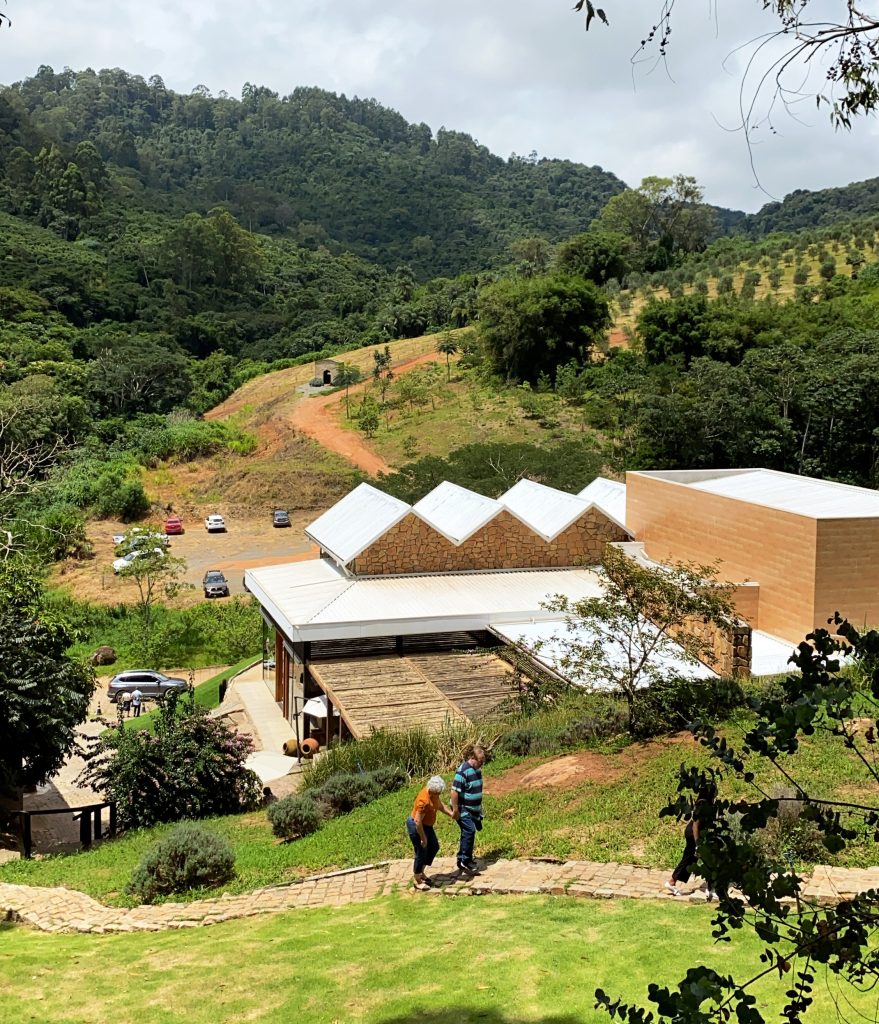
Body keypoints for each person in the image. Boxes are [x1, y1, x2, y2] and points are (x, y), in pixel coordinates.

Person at [665, 783, 717, 899]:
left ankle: (672, 882)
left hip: (695, 834)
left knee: (689, 859)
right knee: (708, 858)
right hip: (694, 834)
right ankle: (710, 889)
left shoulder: (706, 803)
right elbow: (696, 825)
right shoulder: (702, 804)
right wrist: (698, 843)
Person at [407, 775, 453, 891]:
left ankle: (421, 872)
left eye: (439, 793)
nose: (438, 795)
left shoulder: (434, 795)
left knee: (434, 847)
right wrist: (423, 838)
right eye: (436, 793)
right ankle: (417, 879)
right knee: (421, 851)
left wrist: (451, 814)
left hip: (426, 826)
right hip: (417, 826)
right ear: (431, 790)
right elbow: (417, 821)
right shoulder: (424, 801)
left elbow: (440, 805)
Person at [451, 744, 486, 876]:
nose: (481, 764)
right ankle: (465, 861)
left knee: (469, 833)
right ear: (472, 757)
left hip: (474, 809)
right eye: (480, 761)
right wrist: (455, 810)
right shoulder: (462, 771)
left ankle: (462, 858)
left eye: (483, 761)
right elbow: (454, 792)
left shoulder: (477, 770)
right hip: (462, 808)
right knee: (469, 830)